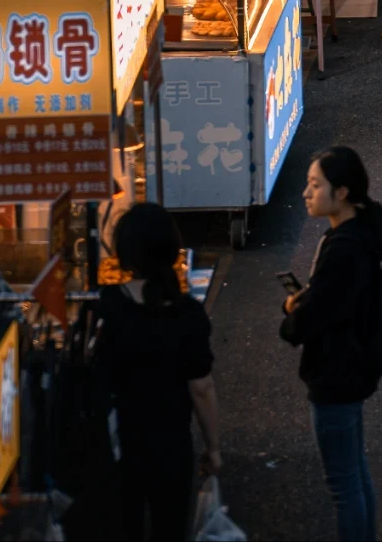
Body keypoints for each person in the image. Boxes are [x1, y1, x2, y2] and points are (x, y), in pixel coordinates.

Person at [281, 147, 382, 542]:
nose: (305, 192)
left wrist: (291, 312)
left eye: (315, 185)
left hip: (336, 374)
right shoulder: (362, 231)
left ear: (341, 192)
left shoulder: (344, 248)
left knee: (343, 484)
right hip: (355, 369)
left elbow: (315, 317)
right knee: (355, 475)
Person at [100, 202, 220, 542]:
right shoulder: (187, 314)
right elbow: (202, 388)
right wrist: (213, 448)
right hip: (171, 445)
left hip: (119, 445)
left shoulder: (107, 305)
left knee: (123, 527)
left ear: (125, 252)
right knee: (170, 527)